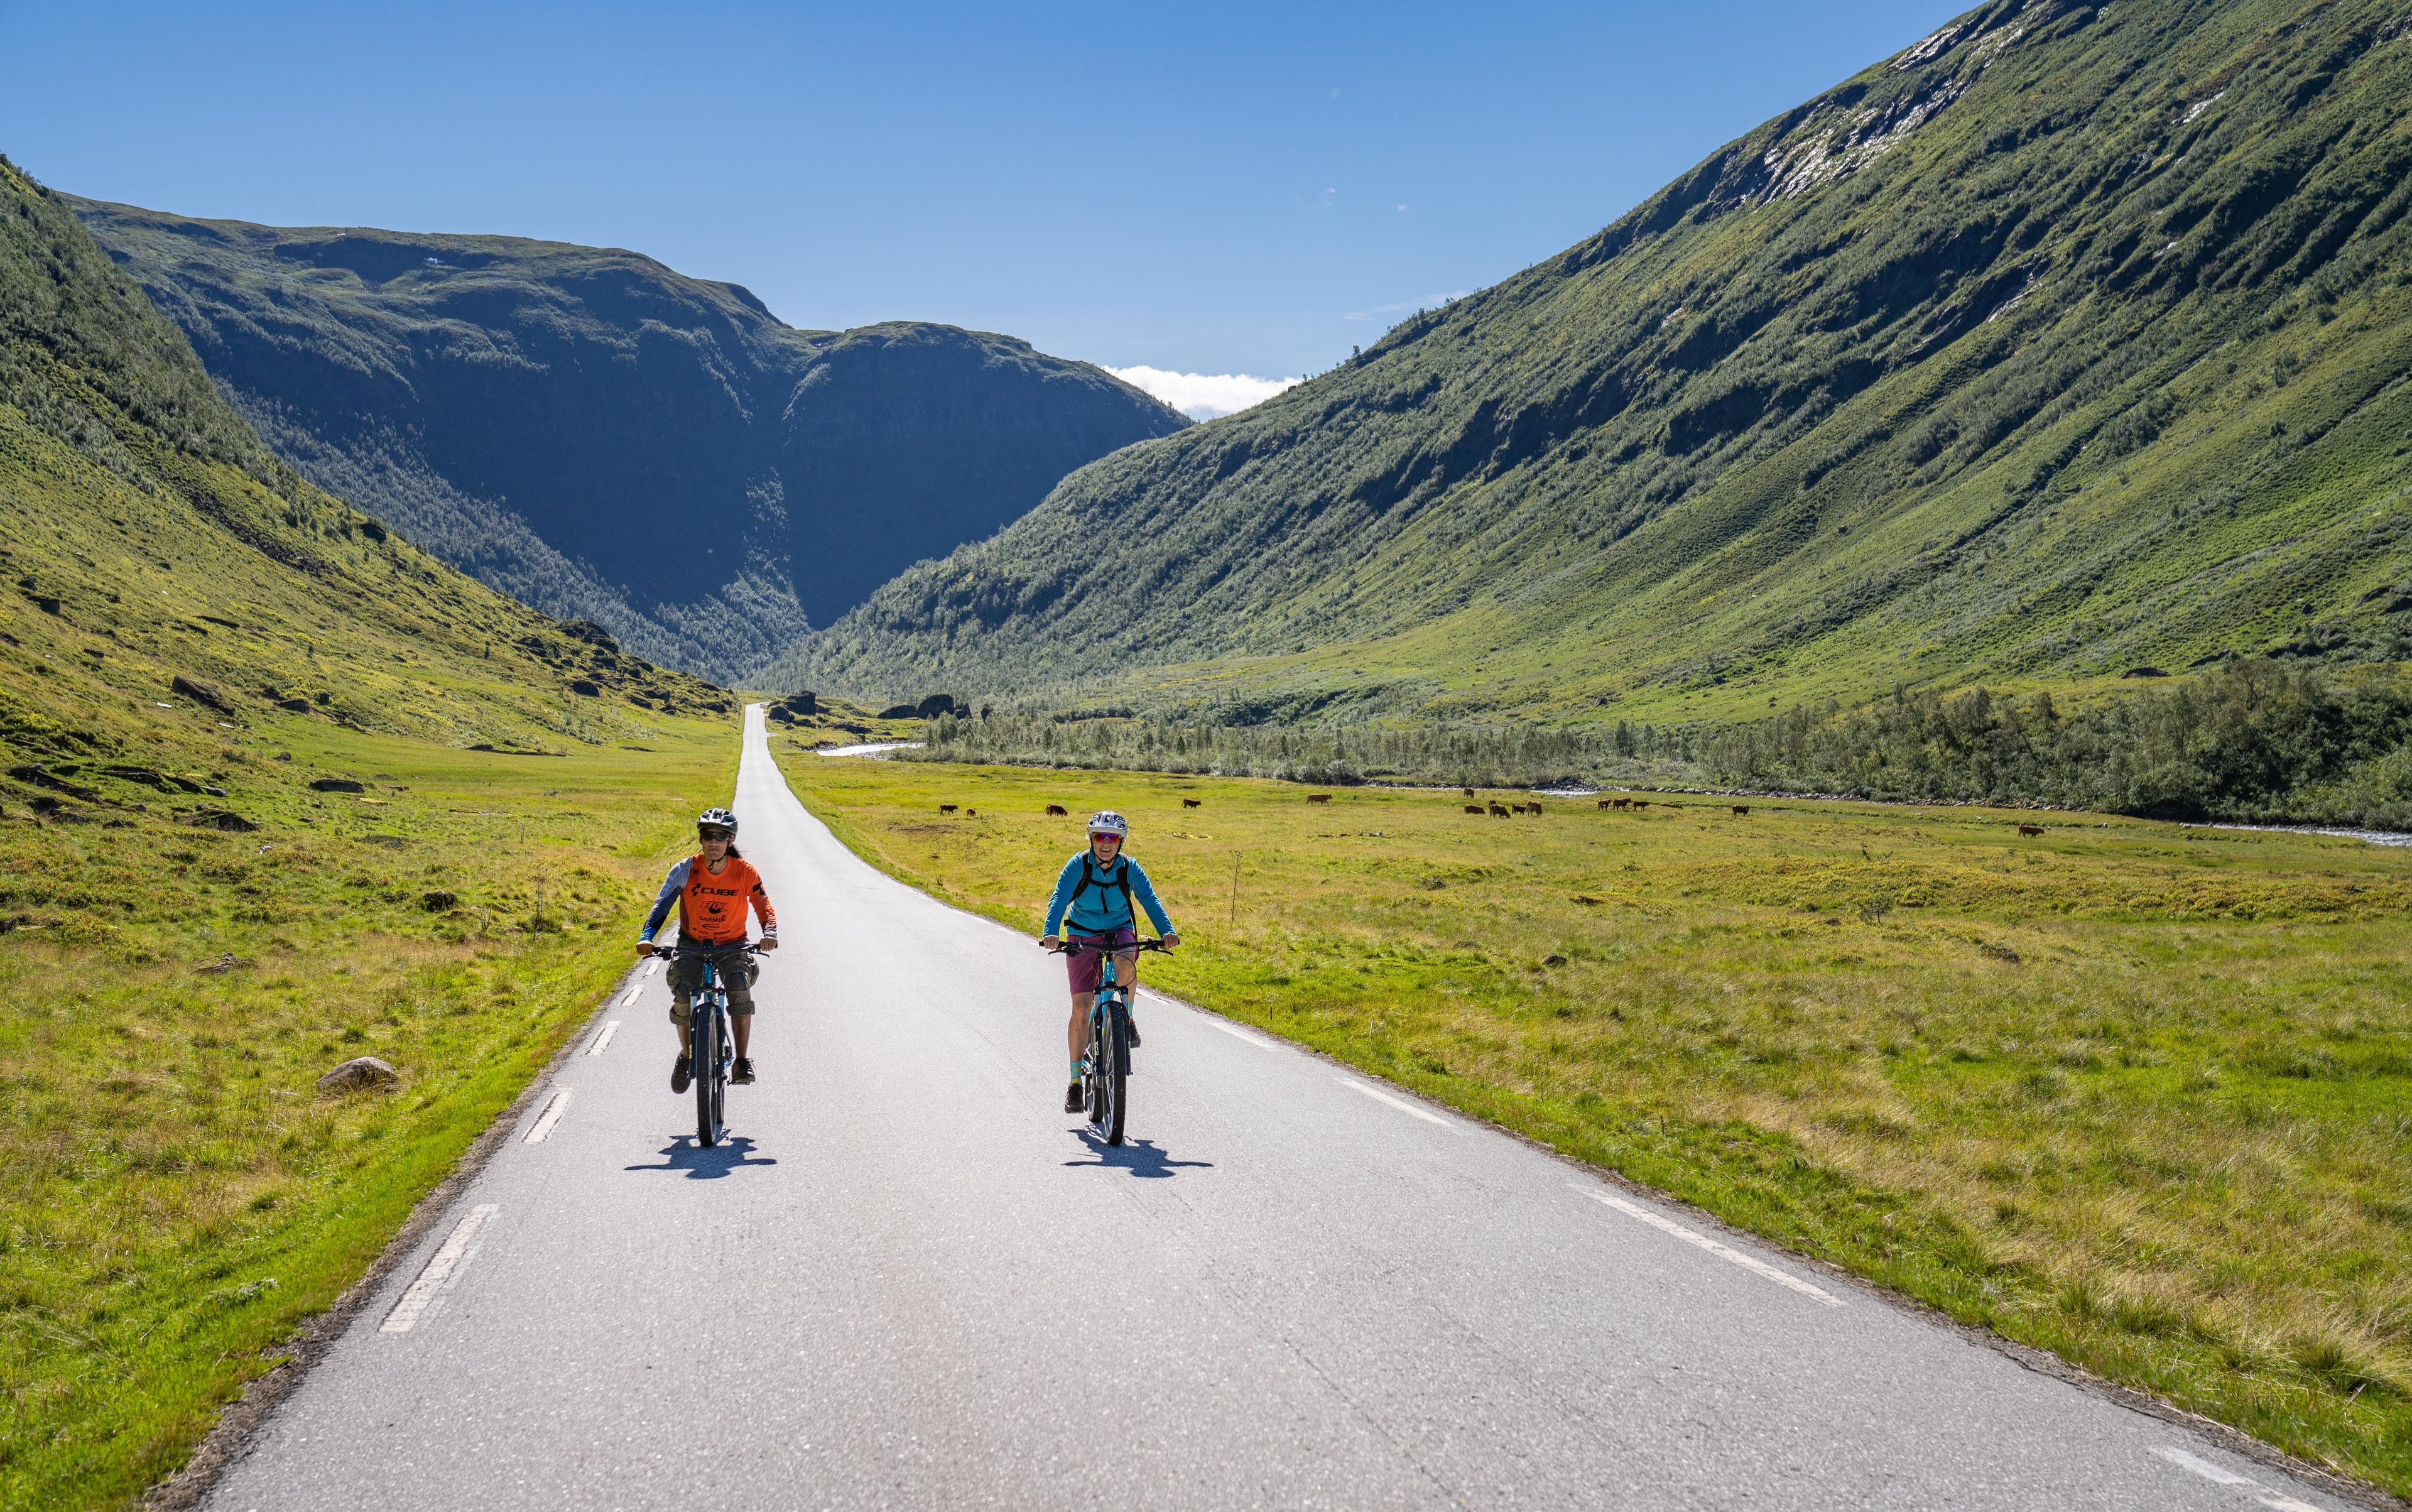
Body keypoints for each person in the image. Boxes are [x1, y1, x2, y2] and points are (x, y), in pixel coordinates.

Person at [1038, 810, 1179, 1112]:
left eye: (1113, 838)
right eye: (1100, 837)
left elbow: (1149, 899)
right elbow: (1059, 897)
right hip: (1082, 933)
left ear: (1120, 842)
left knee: (1128, 958)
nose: (1106, 843)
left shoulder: (1129, 868)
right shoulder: (1078, 865)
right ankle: (1075, 1083)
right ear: (1091, 839)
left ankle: (1125, 1020)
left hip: (1118, 929)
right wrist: (1051, 932)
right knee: (1081, 1009)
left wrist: (1167, 930)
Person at [638, 806, 779, 1090]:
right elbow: (661, 905)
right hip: (692, 944)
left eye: (721, 837)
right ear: (701, 840)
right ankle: (687, 1057)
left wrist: (770, 932)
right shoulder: (686, 869)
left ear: (730, 841)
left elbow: (763, 906)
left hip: (732, 944)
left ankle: (741, 1061)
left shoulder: (744, 872)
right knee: (682, 994)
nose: (714, 842)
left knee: (739, 987)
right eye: (708, 837)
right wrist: (647, 936)